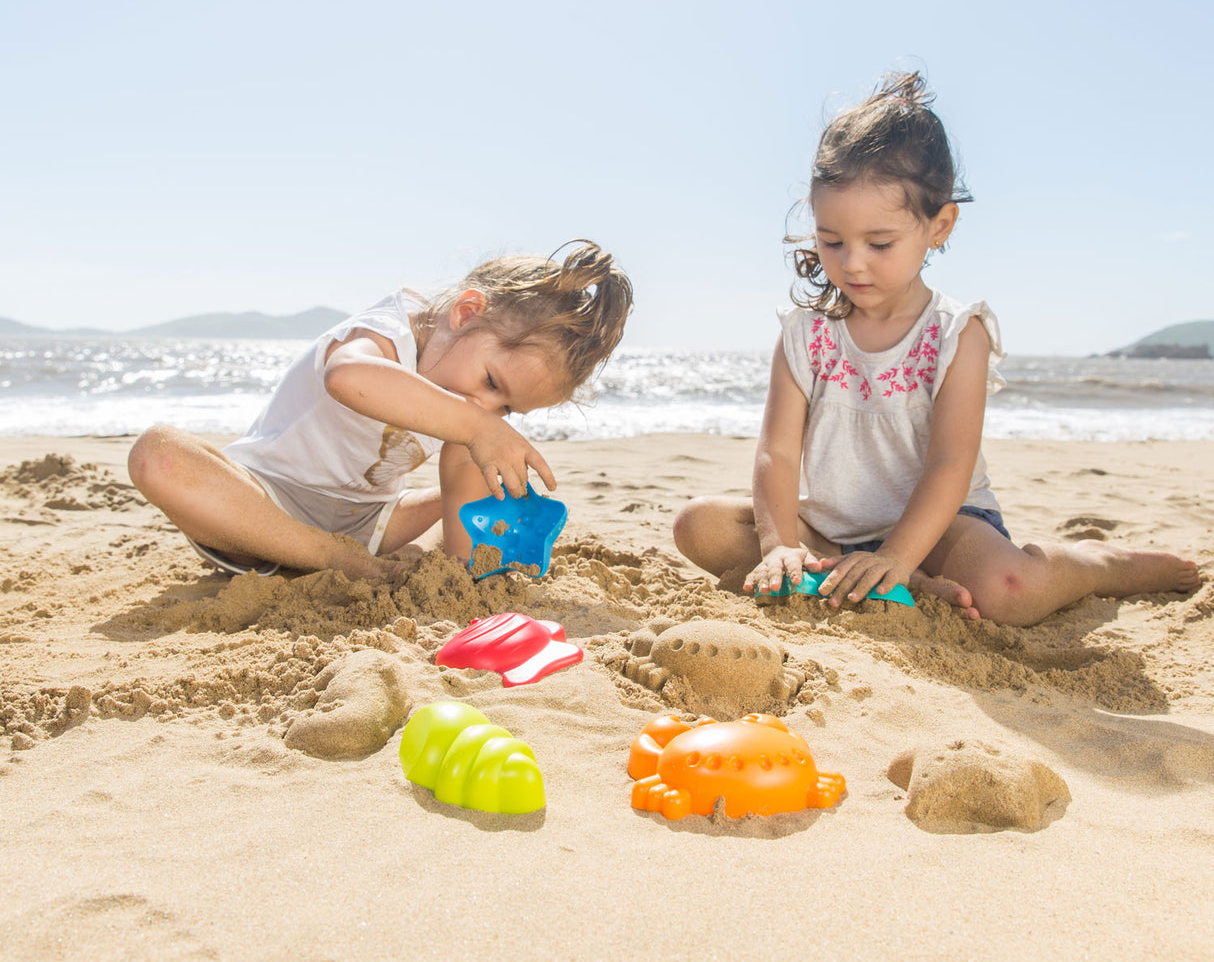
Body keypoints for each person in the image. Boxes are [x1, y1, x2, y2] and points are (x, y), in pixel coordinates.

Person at [673, 73, 1199, 626]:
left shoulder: (955, 332)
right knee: (698, 525)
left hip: (942, 528)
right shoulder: (805, 333)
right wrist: (780, 544)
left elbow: (952, 462)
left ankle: (1097, 566)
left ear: (939, 225)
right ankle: (885, 580)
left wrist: (899, 556)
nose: (852, 262)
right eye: (831, 241)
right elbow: (776, 455)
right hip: (832, 532)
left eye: (879, 244)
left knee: (1009, 590)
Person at [129, 240, 632, 581]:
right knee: (159, 455)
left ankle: (346, 556)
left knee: (477, 466)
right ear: (465, 313)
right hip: (266, 504)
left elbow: (461, 468)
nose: (487, 407)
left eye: (508, 408)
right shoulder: (387, 333)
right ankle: (323, 557)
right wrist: (478, 425)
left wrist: (460, 576)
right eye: (492, 383)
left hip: (371, 523)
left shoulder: (469, 408)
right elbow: (347, 378)